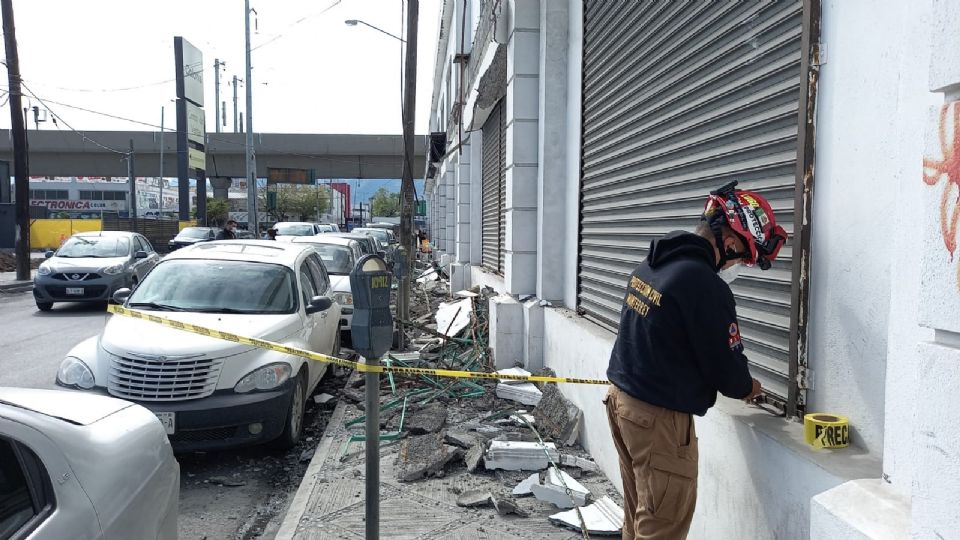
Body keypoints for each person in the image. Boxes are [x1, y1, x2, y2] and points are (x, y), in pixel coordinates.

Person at [604, 181, 787, 539]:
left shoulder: (656, 263)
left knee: (640, 518)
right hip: (658, 422)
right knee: (661, 529)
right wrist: (750, 387)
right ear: (730, 242)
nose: (738, 266)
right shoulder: (704, 285)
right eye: (742, 258)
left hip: (621, 403)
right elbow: (729, 375)